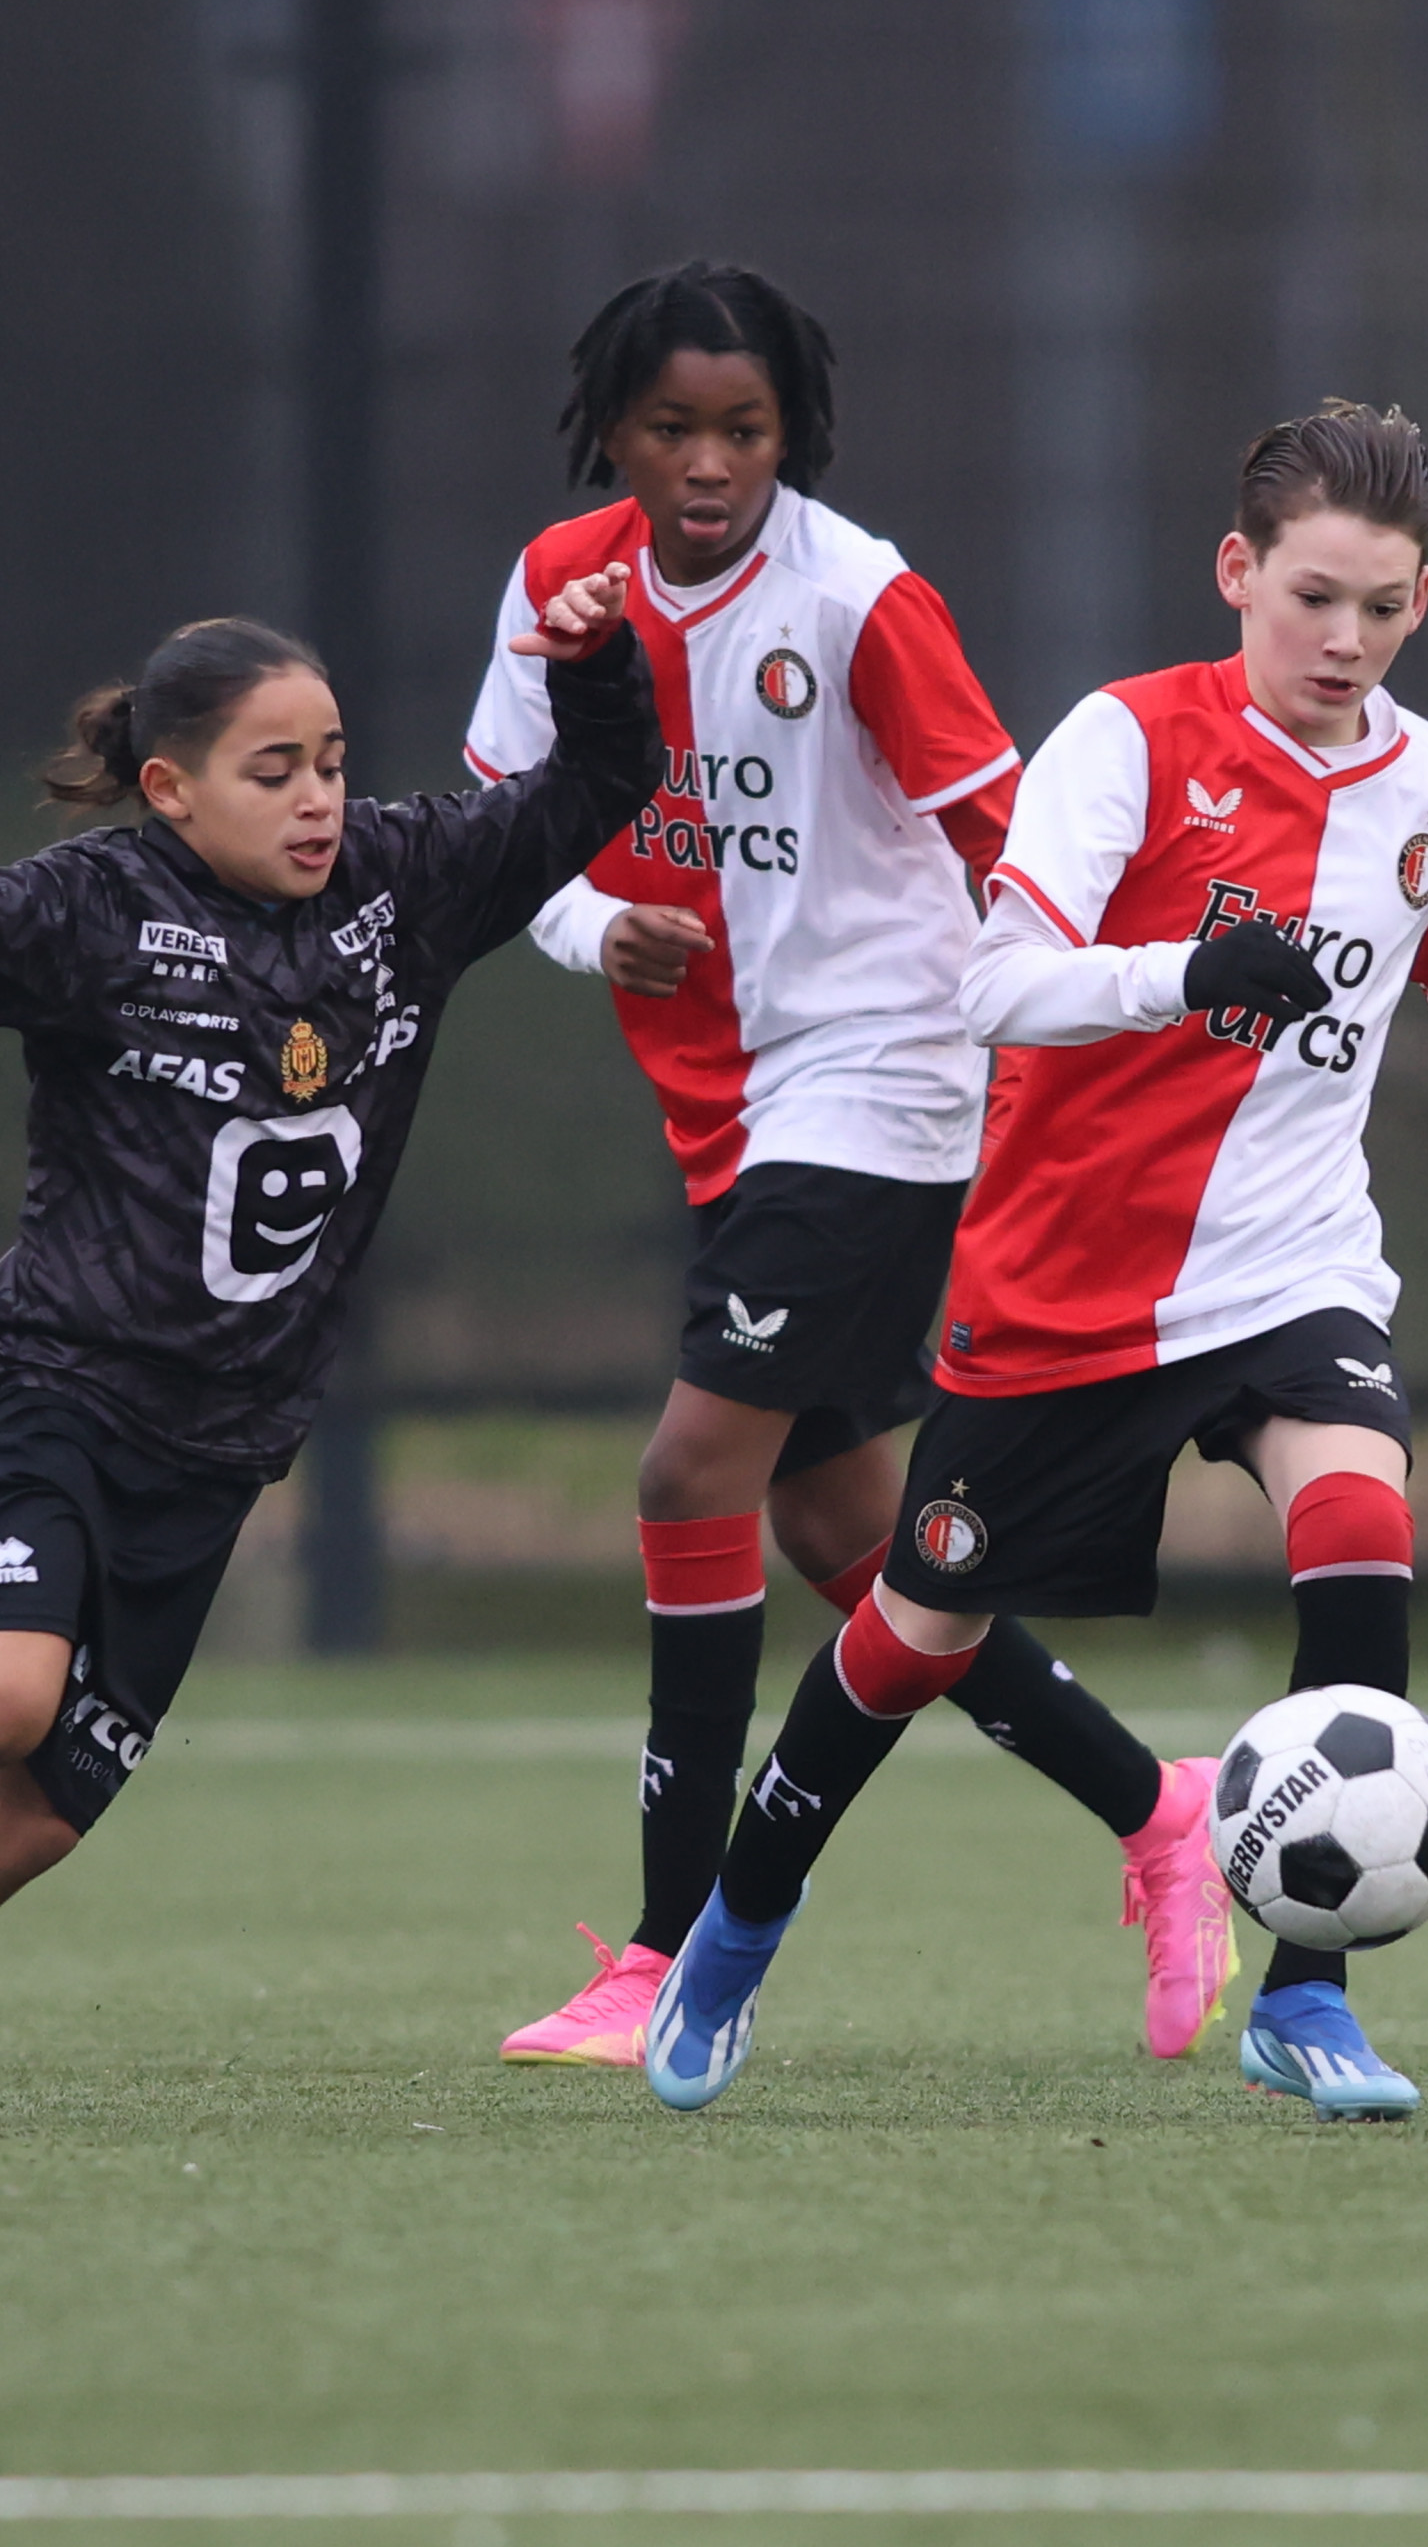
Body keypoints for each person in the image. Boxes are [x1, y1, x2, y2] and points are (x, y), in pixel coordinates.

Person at [638, 402, 1428, 2122]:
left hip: (1292, 1266)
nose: (1345, 640)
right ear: (1238, 572)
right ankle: (735, 1930)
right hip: (1062, 1291)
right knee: (916, 1627)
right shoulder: (1125, 742)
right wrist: (1187, 973)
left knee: (1361, 1516)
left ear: (1424, 603)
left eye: (1384, 608)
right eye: (1314, 596)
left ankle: (1306, 1999)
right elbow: (996, 986)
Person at [0, 567, 656, 2125]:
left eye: (335, 761)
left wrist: (598, 659)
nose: (317, 802)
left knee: (21, 1828)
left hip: (215, 1455)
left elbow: (597, 786)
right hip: (55, 1395)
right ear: (171, 789)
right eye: (272, 771)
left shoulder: (402, 882)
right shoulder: (104, 906)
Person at [466, 262, 1239, 2073]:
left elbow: (1014, 836)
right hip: (733, 1111)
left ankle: (667, 1950)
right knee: (847, 1537)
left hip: (884, 1082)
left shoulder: (860, 597)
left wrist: (1105, 1037)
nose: (713, 461)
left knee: (686, 1474)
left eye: (747, 428)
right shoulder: (559, 587)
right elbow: (510, 831)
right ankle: (1159, 1812)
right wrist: (597, 934)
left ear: (791, 432)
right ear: (614, 430)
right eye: (676, 427)